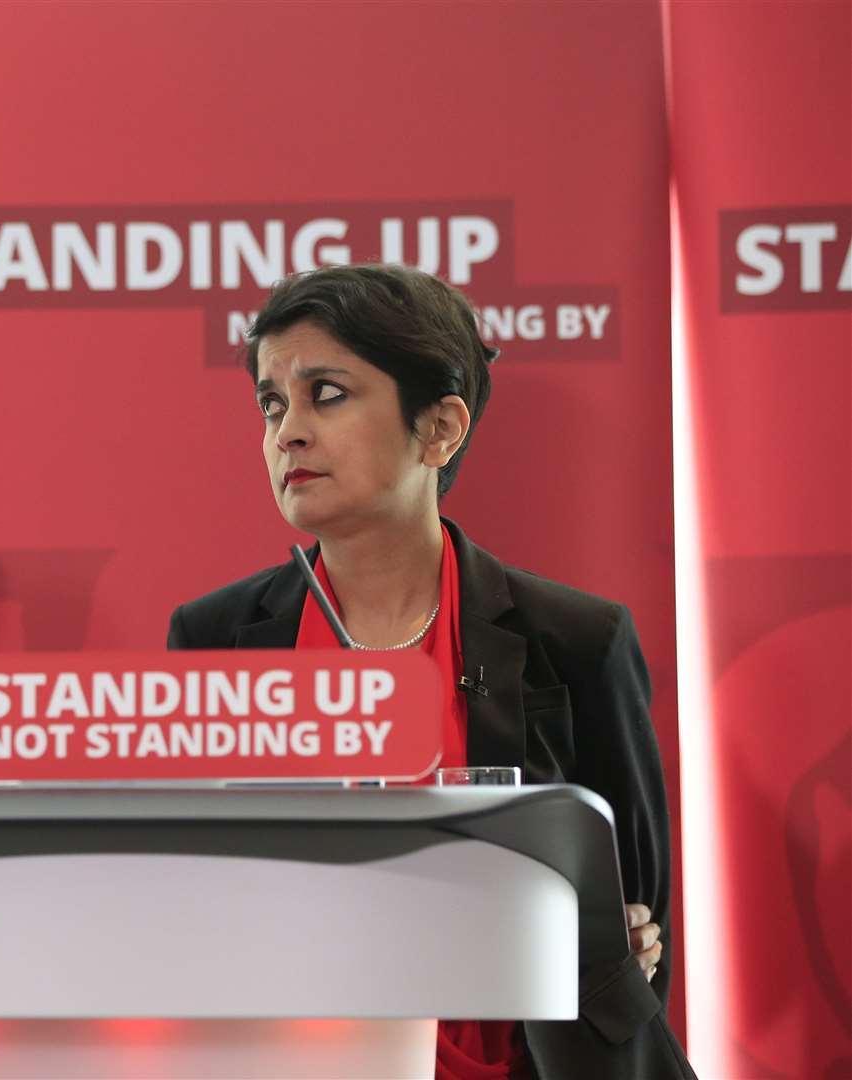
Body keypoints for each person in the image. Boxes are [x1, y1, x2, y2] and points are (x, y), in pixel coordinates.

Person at [167, 265, 695, 1079]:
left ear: (439, 428)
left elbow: (632, 921)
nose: (287, 433)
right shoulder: (213, 638)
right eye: (271, 402)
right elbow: (186, 894)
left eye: (327, 394)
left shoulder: (575, 640)